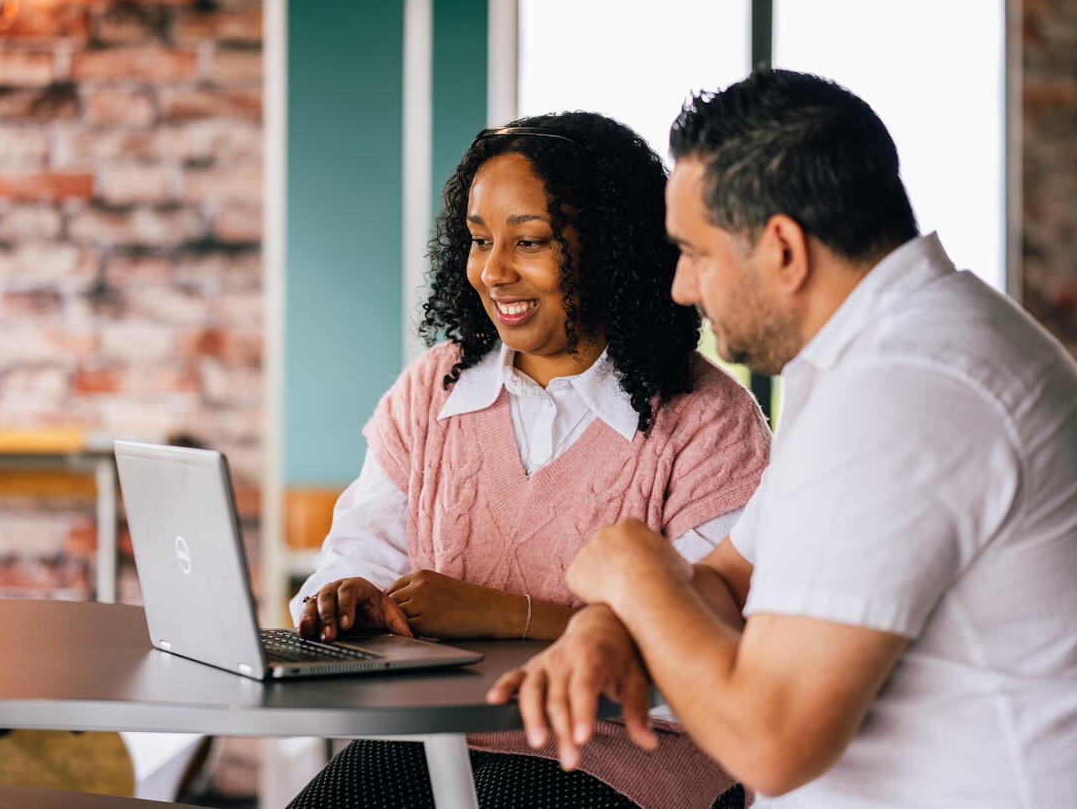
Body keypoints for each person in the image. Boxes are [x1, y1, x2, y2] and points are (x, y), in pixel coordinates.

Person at [489, 69, 1077, 808]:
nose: (680, 287)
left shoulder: (905, 390)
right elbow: (732, 576)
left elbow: (769, 744)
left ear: (783, 250)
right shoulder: (874, 358)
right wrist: (611, 619)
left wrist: (632, 572)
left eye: (697, 253)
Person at [285, 111, 772, 809]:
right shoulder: (432, 389)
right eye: (479, 241)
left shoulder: (707, 419)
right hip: (439, 739)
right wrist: (351, 595)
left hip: (625, 750)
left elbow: (704, 646)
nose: (493, 271)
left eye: (530, 241)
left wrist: (501, 612)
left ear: (611, 247)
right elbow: (354, 555)